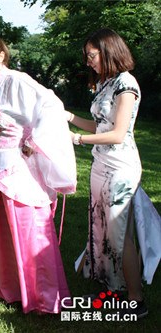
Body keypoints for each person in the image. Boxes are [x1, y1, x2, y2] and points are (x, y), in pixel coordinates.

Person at [0, 34, 77, 314]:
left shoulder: (18, 80)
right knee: (2, 231)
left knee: (28, 231)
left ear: (0, 55)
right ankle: (9, 289)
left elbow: (51, 106)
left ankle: (44, 297)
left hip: (18, 167)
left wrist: (33, 141)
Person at [68, 28, 160, 319]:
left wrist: (77, 139)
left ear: (108, 51)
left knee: (119, 235)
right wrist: (69, 118)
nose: (88, 62)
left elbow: (118, 134)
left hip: (121, 168)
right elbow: (100, 127)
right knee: (100, 230)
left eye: (91, 56)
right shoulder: (105, 83)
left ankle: (136, 300)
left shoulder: (126, 84)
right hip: (100, 166)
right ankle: (112, 288)